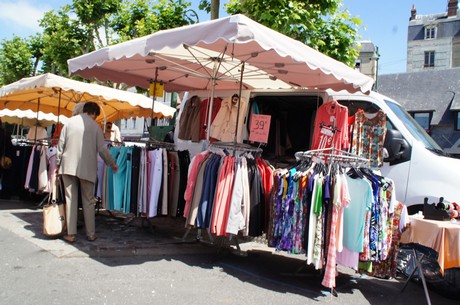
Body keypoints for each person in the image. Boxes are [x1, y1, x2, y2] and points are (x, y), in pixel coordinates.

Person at [56, 102, 118, 243]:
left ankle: (71, 234)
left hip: (68, 165)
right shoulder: (95, 127)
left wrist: (57, 162)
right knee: (89, 201)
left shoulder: (69, 123)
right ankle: (90, 234)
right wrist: (112, 163)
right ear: (94, 114)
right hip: (88, 167)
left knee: (70, 199)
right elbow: (102, 149)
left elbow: (61, 144)